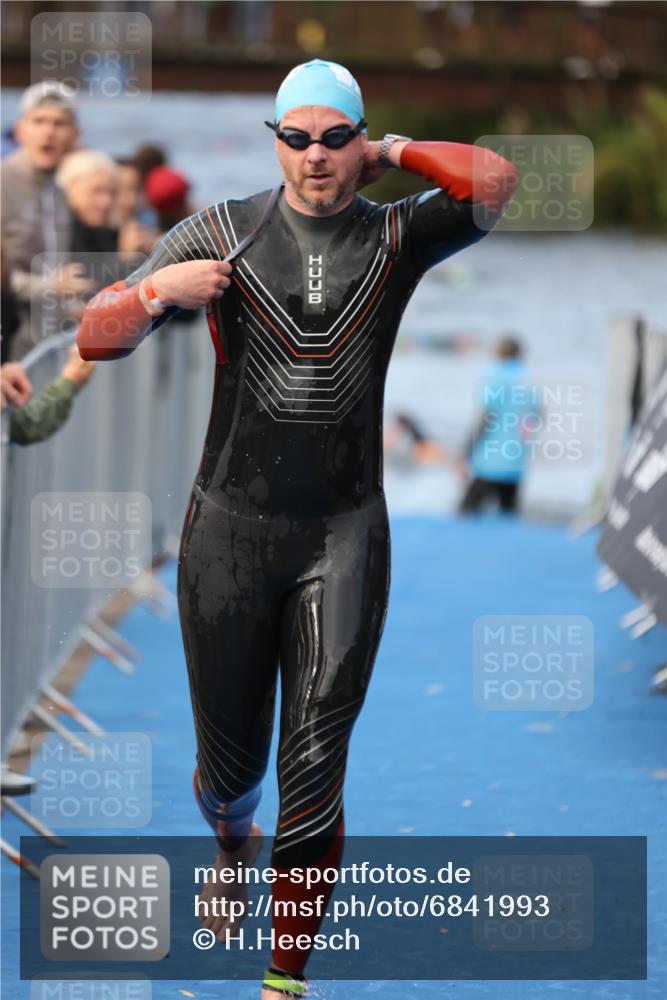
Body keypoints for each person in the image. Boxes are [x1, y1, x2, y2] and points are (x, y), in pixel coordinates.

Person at [77, 59, 517, 998]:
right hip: (227, 538)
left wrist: (392, 150)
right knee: (229, 772)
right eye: (296, 137)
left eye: (333, 137)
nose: (315, 157)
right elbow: (91, 339)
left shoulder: (396, 236)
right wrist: (157, 295)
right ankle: (232, 842)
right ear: (272, 141)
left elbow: (494, 183)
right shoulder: (221, 234)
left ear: (357, 140)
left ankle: (286, 979)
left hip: (343, 535)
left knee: (315, 763)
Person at [0, 81, 82, 360]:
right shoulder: (3, 184)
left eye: (59, 123)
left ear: (75, 135)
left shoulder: (59, 193)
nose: (48, 132)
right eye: (39, 121)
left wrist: (72, 303)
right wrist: (49, 287)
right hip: (8, 353)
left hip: (46, 351)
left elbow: (56, 270)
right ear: (20, 130)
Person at [458, 336, 538, 514]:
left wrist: (466, 453)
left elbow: (487, 419)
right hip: (515, 463)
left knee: (465, 515)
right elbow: (536, 417)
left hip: (488, 463)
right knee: (507, 522)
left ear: (499, 354)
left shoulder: (493, 376)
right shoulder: (528, 379)